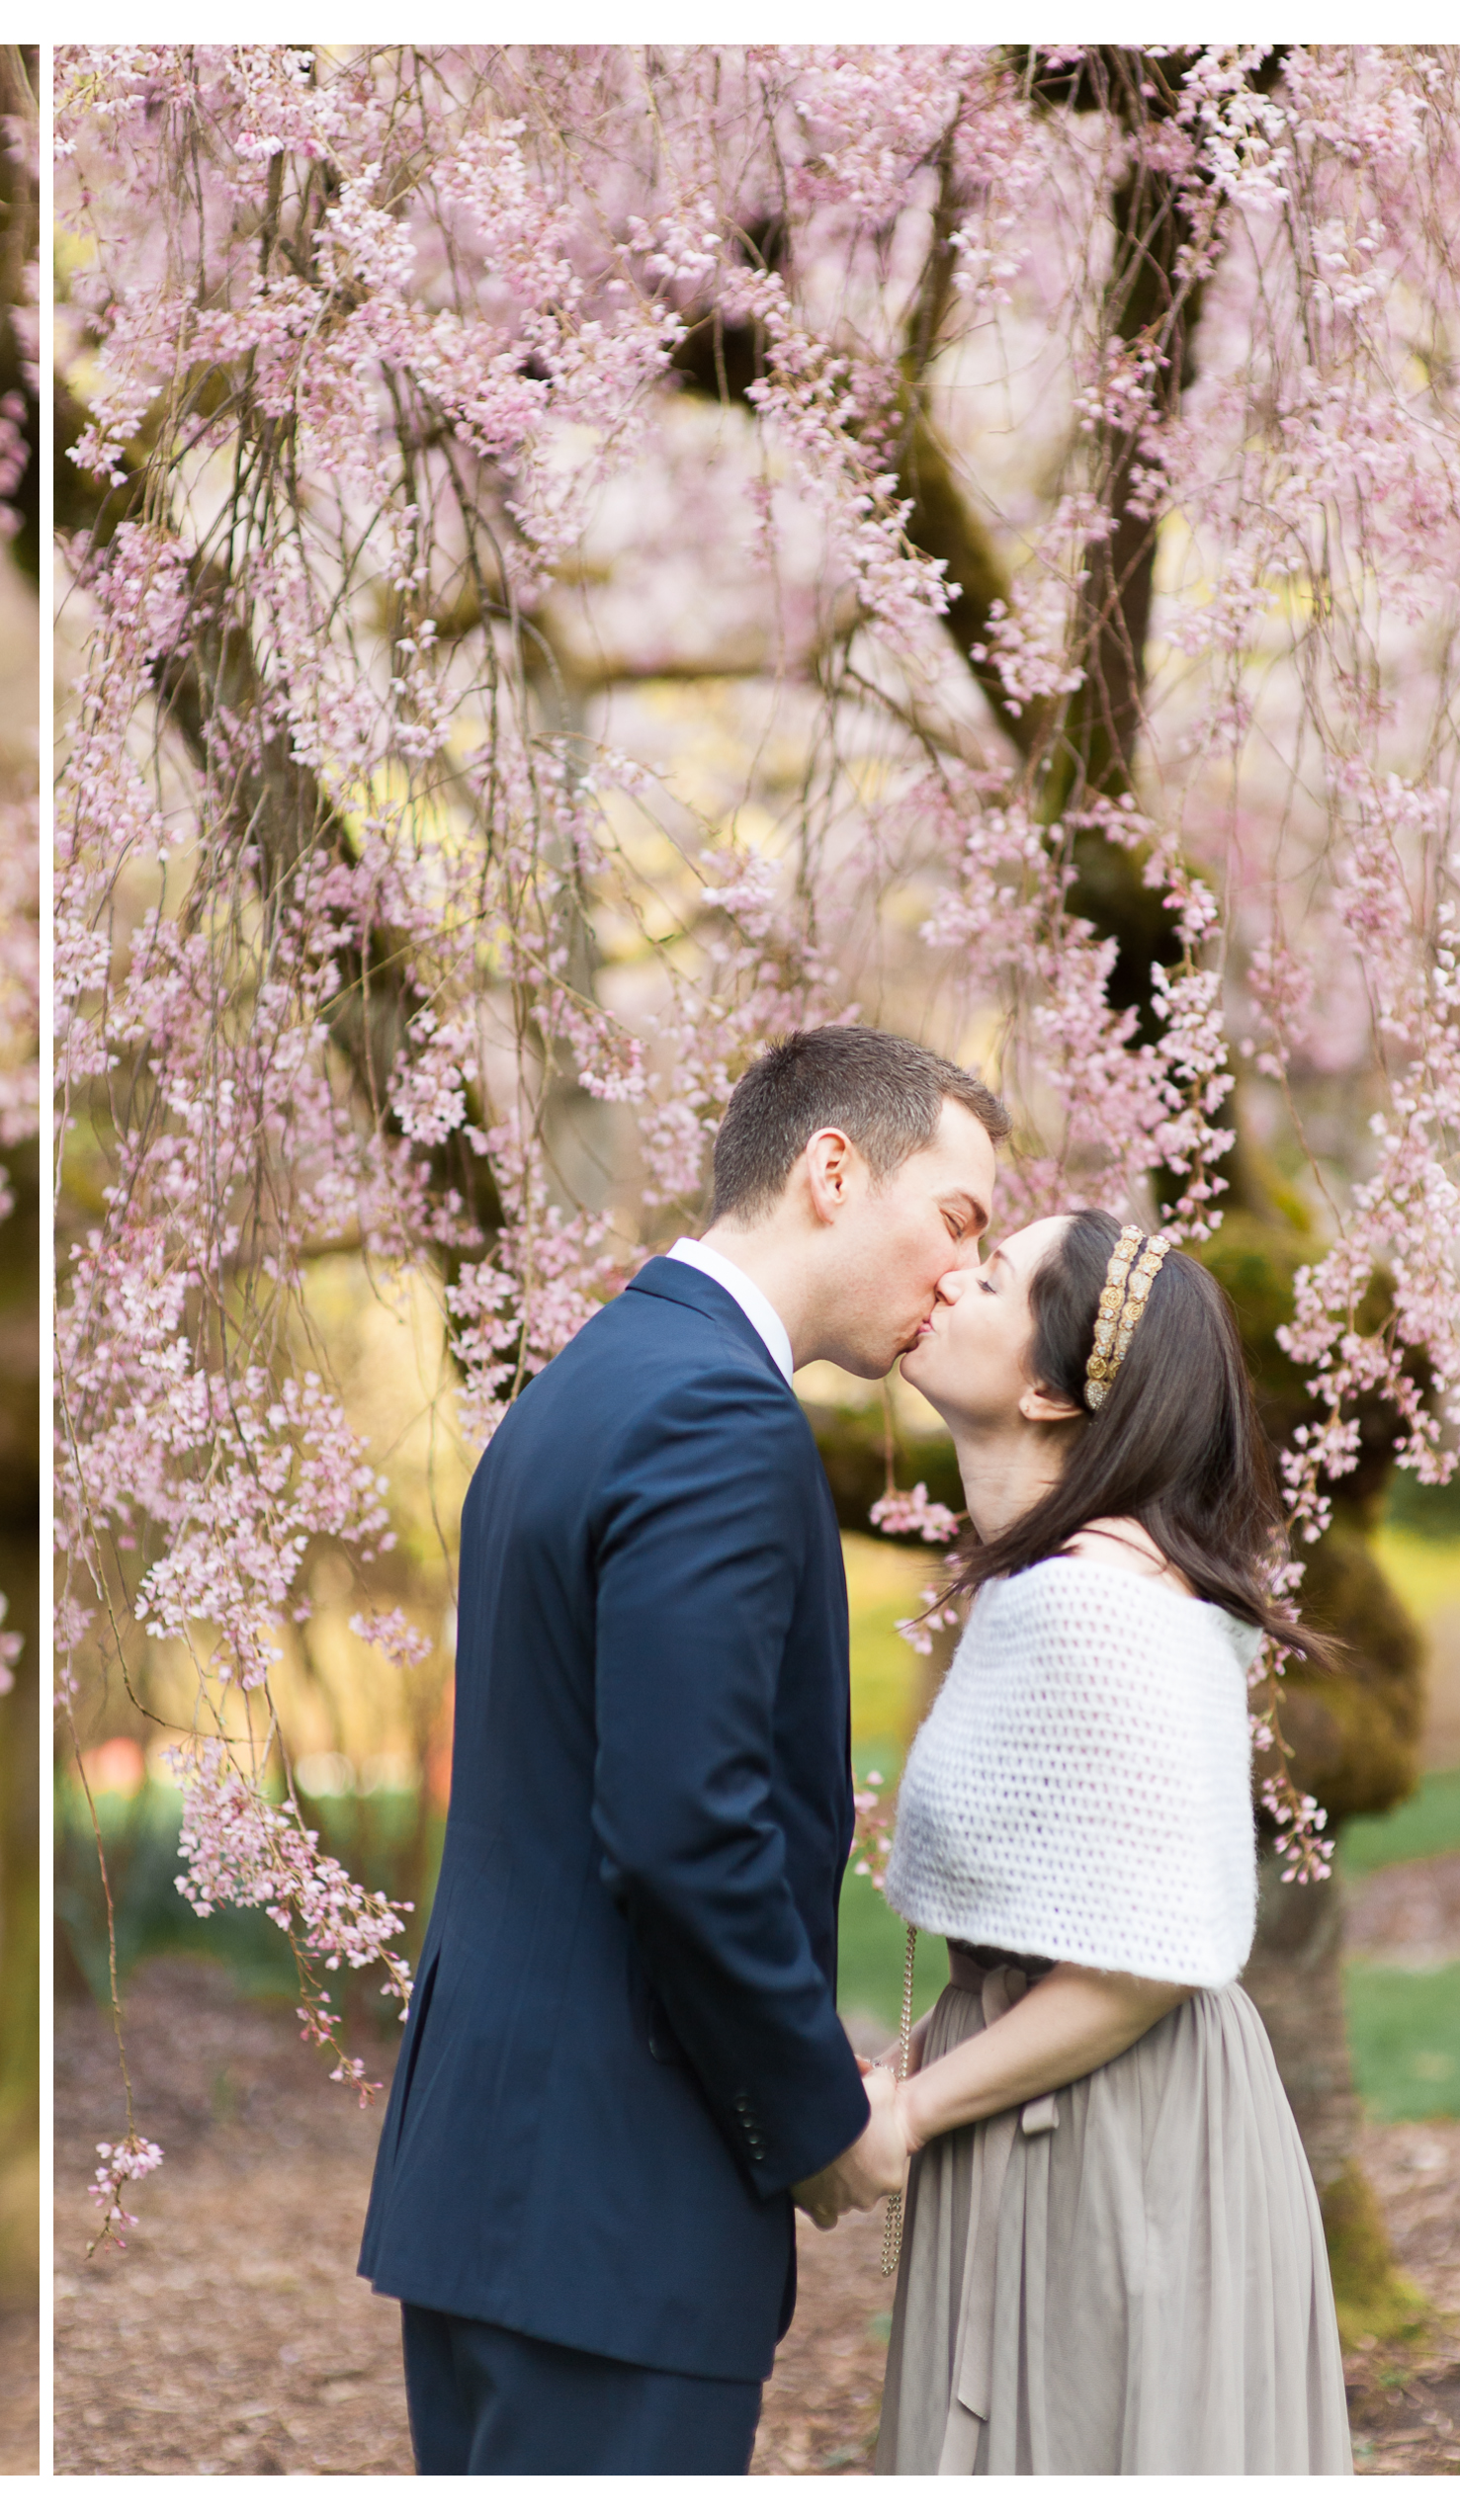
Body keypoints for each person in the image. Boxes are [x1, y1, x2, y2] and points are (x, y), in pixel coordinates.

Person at [359, 1025, 1006, 2474]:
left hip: (495, 2189)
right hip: (611, 2207)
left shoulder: (593, 1373)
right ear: (834, 1169)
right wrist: (820, 2118)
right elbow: (682, 1827)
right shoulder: (720, 1411)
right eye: (956, 1222)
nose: (962, 1277)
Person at [865, 1210, 1350, 2472]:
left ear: (1048, 1387)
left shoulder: (1104, 1603)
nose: (948, 1277)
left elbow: (1137, 1967)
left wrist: (909, 2115)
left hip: (1115, 2146)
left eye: (994, 1276)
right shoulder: (1065, 1583)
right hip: (1050, 2103)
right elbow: (1059, 1914)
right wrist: (902, 2067)